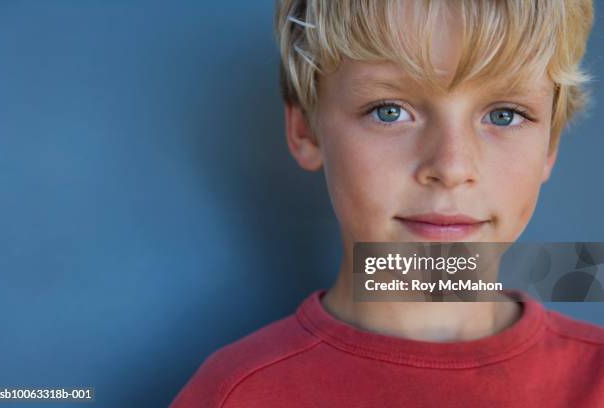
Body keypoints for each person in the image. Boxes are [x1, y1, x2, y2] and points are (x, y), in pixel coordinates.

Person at [170, 1, 604, 406]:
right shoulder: (236, 393)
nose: (451, 167)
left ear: (550, 143)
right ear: (306, 129)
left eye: (504, 114)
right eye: (389, 111)